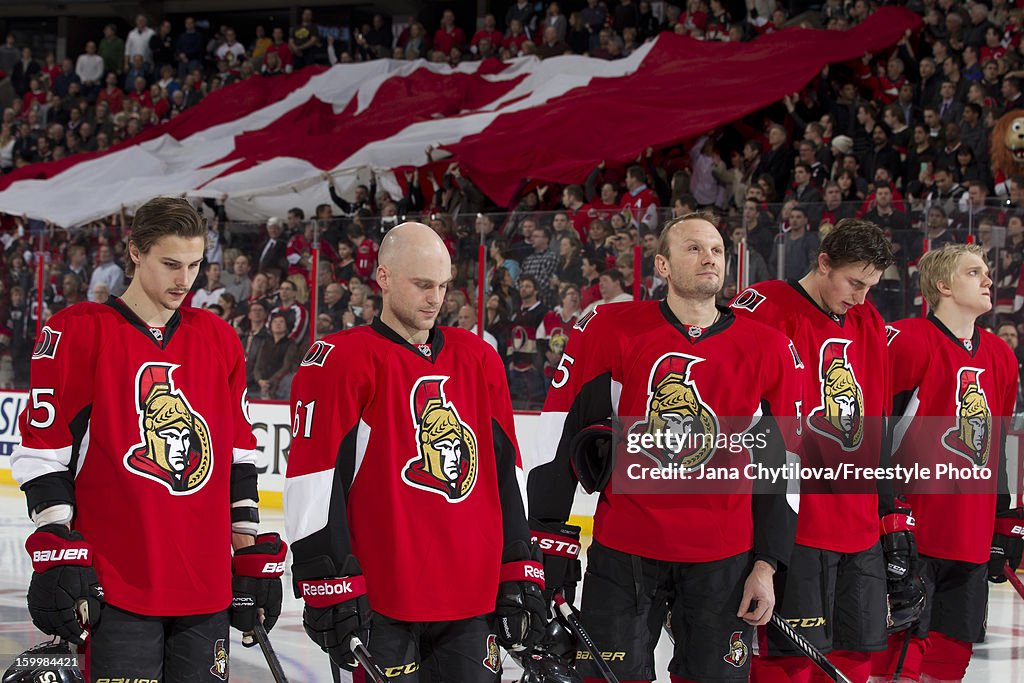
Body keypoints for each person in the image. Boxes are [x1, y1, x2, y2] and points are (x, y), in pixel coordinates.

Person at [10, 197, 284, 681]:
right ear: (136, 252)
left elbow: (238, 457)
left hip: (206, 588)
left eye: (196, 265)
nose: (185, 280)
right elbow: (44, 454)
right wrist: (57, 548)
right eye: (171, 264)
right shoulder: (76, 332)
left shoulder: (219, 339)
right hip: (116, 587)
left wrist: (248, 554)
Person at [528, 212, 803, 682]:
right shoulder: (614, 330)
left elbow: (779, 466)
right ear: (662, 265)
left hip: (724, 561)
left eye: (716, 250)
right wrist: (548, 549)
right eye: (694, 248)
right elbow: (565, 440)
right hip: (625, 555)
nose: (709, 258)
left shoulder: (767, 346)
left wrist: (767, 563)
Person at [284, 222, 545, 680]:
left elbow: (508, 473)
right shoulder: (341, 359)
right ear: (382, 277)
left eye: (443, 286)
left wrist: (519, 564)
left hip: (472, 599)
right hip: (382, 603)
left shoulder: (477, 357)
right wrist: (328, 580)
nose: (435, 299)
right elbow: (314, 481)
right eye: (423, 284)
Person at [730, 219, 898, 683]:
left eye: (871, 287)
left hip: (859, 527)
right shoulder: (761, 308)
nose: (861, 298)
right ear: (824, 262)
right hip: (796, 527)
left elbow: (877, 424)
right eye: (854, 283)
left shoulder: (868, 320)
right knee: (788, 663)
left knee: (857, 656)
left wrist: (889, 517)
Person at [870, 245, 1021, 683]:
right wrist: (885, 513)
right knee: (898, 662)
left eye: (988, 272)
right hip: (914, 536)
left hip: (969, 540)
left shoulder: (1001, 357)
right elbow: (875, 434)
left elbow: (996, 448)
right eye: (975, 272)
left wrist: (1004, 517)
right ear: (943, 286)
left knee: (949, 664)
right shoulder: (909, 340)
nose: (988, 280)